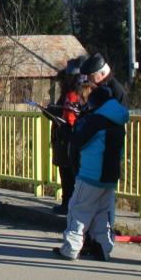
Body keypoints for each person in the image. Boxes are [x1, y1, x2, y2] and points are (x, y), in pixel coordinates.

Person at [55, 81, 129, 262]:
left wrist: (66, 130)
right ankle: (103, 248)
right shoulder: (118, 117)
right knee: (102, 214)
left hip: (91, 173)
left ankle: (71, 248)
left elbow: (78, 140)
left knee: (78, 210)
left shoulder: (97, 119)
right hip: (110, 175)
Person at [48, 60, 85, 214]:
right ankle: (66, 202)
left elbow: (74, 115)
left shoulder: (77, 94)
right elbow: (61, 111)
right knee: (65, 172)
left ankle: (71, 204)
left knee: (71, 172)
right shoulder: (67, 93)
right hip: (62, 136)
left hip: (71, 136)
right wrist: (51, 112)